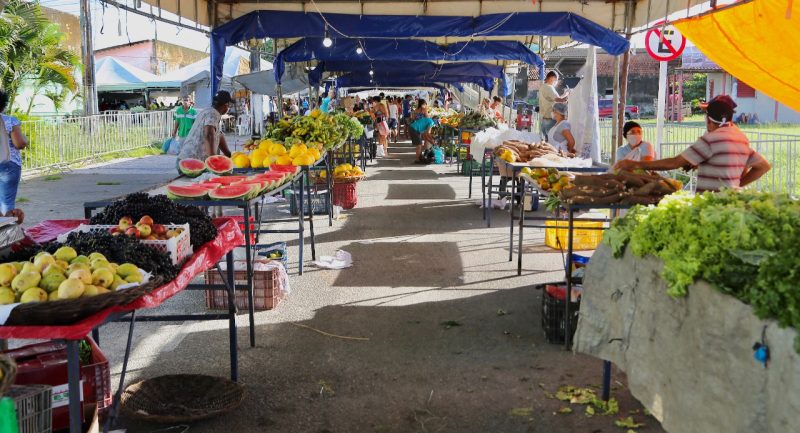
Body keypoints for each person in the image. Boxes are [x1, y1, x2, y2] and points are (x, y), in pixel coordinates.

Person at [615, 95, 771, 193]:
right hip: (730, 201)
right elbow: (763, 166)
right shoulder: (739, 137)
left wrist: (633, 164)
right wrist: (735, 187)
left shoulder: (711, 139)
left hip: (710, 204)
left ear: (709, 120)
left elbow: (674, 163)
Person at [177, 90, 233, 172]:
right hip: (192, 162)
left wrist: (229, 155)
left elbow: (219, 136)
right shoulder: (213, 114)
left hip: (186, 160)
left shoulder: (207, 111)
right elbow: (209, 135)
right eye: (229, 105)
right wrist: (213, 160)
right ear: (226, 105)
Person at [0, 90, 29, 217]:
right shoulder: (10, 121)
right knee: (6, 204)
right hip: (8, 165)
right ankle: (6, 234)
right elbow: (19, 143)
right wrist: (26, 140)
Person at [539, 71, 569, 140]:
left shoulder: (543, 87)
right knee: (551, 142)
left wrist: (564, 95)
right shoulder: (548, 87)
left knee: (547, 142)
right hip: (550, 119)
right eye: (556, 80)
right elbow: (558, 99)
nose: (556, 82)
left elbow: (555, 99)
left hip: (545, 119)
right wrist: (566, 95)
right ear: (552, 78)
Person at [410, 99, 437, 163]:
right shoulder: (429, 120)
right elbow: (427, 133)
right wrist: (432, 141)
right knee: (419, 144)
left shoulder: (415, 110)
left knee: (420, 144)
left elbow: (413, 119)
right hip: (417, 128)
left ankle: (420, 156)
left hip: (418, 126)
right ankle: (417, 159)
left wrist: (431, 140)